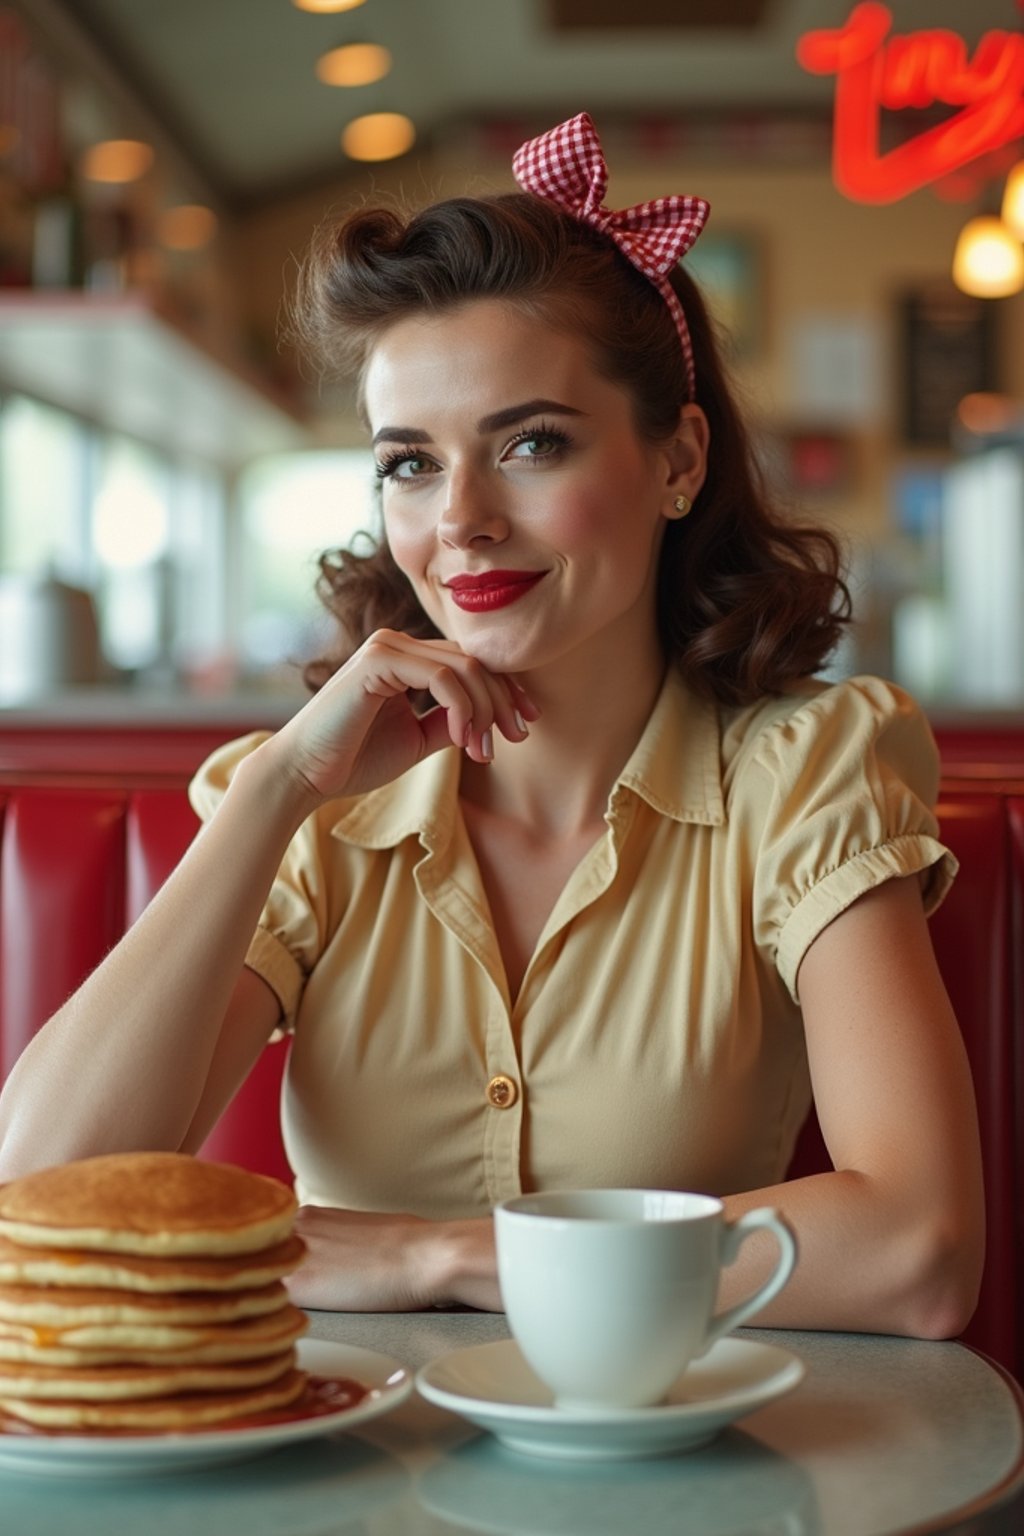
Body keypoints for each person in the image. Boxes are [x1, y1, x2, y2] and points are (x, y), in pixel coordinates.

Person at [0, 114, 983, 1337]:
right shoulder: (311, 809)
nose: (458, 520)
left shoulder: (801, 769)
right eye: (408, 462)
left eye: (530, 444)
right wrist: (274, 793)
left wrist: (430, 1255)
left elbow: (919, 1252)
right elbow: (38, 1199)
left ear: (676, 461)